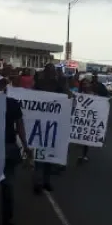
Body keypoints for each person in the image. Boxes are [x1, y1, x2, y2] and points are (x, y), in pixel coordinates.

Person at [0, 75, 31, 225]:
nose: (1, 88)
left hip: (6, 148)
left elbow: (20, 126)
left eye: (2, 85)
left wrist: (25, 145)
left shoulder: (7, 104)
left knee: (4, 184)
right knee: (0, 183)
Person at [32, 63, 72, 194]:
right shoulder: (39, 84)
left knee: (49, 156)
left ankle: (46, 181)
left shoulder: (58, 85)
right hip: (40, 124)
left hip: (54, 125)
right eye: (50, 71)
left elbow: (68, 96)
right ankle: (38, 182)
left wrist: (64, 85)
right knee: (40, 156)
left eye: (53, 71)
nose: (52, 73)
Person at [76, 77, 96, 163]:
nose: (85, 85)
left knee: (86, 138)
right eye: (83, 84)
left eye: (87, 83)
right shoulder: (78, 94)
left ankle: (84, 155)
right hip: (78, 118)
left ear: (90, 84)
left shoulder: (94, 95)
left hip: (88, 119)